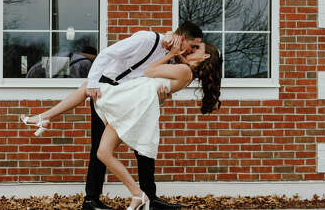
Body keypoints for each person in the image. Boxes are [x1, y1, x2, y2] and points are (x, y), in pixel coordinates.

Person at [20, 22, 205, 210]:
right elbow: (107, 54)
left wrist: (162, 96)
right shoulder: (146, 39)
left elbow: (151, 85)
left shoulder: (173, 59)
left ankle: (150, 198)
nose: (191, 51)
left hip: (131, 100)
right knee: (99, 148)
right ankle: (91, 200)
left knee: (142, 149)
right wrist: (92, 82)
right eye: (193, 46)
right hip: (107, 92)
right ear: (182, 39)